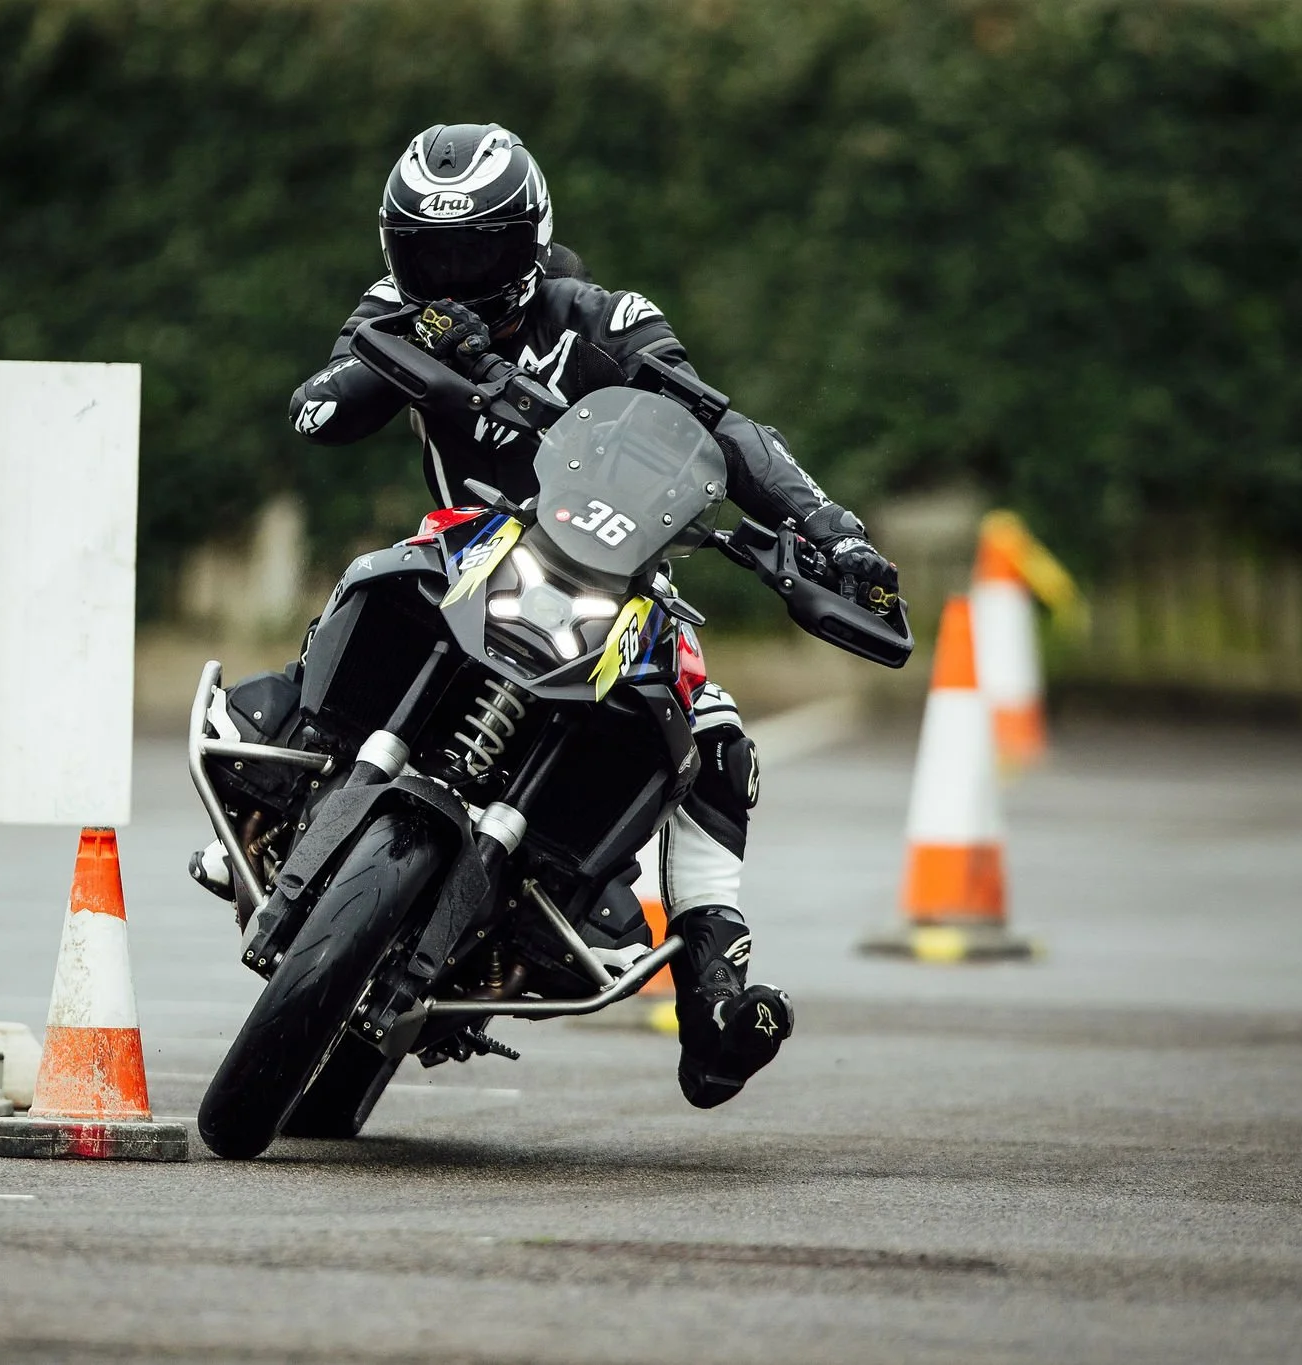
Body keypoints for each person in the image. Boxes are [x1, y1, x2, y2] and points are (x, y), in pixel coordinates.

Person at [282, 122, 898, 1109]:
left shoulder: (600, 317)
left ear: (529, 241)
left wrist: (832, 531)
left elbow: (719, 425)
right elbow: (321, 406)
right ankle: (288, 754)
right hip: (464, 547)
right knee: (374, 576)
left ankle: (710, 1003)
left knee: (719, 741)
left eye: (476, 250)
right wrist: (406, 350)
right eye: (425, 251)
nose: (449, 271)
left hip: (609, 578)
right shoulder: (395, 307)